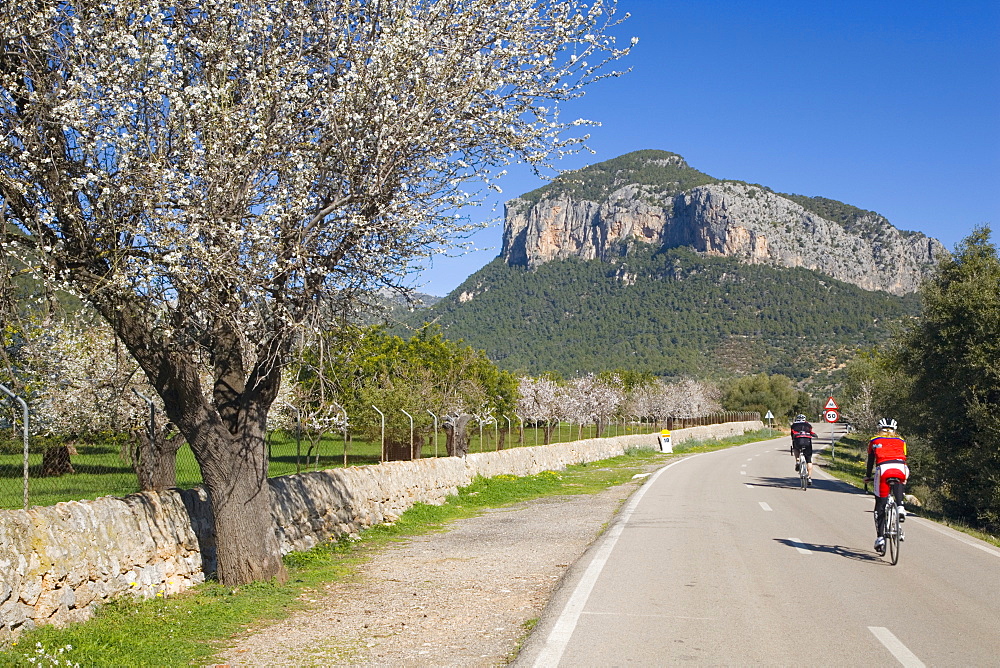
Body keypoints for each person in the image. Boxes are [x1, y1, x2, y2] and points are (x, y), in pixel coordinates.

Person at [863, 418, 909, 554]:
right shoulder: (902, 441)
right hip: (901, 468)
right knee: (899, 480)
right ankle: (900, 506)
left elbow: (871, 460)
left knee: (880, 505)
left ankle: (880, 538)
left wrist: (867, 476)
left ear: (879, 429)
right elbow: (903, 456)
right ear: (895, 430)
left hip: (883, 469)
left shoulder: (874, 441)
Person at [790, 414, 817, 484]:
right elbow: (811, 432)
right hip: (807, 442)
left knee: (795, 448)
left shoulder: (794, 425)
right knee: (809, 461)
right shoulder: (808, 425)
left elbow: (792, 435)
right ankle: (809, 478)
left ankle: (797, 461)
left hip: (797, 441)